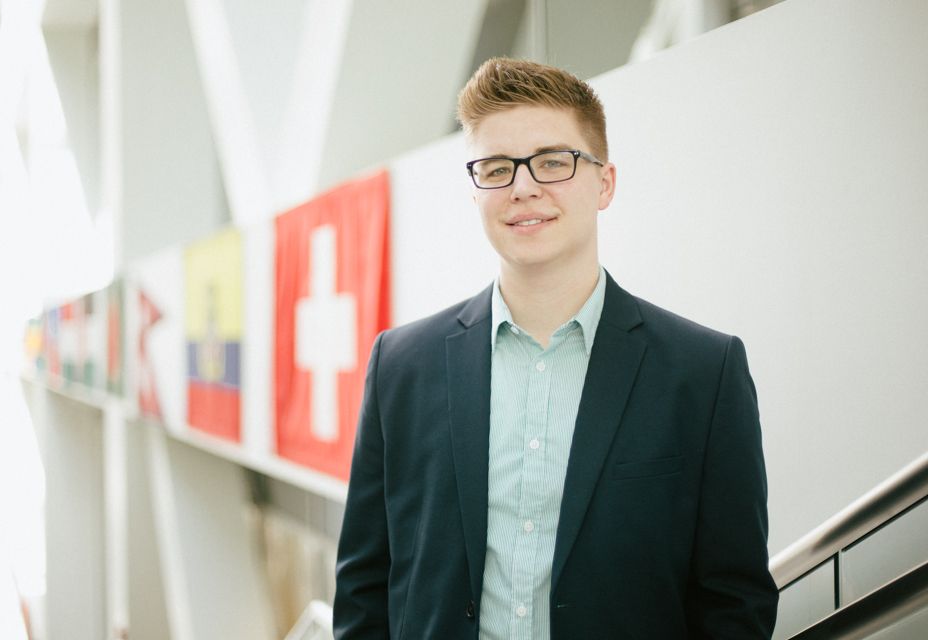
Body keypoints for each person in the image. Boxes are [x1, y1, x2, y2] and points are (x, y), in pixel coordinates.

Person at [333, 57, 778, 639]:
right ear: (475, 192)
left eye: (552, 162)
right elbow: (365, 583)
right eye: (496, 168)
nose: (522, 187)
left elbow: (733, 597)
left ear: (604, 182)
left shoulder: (702, 371)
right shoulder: (401, 365)